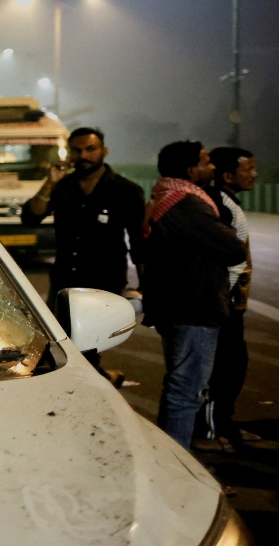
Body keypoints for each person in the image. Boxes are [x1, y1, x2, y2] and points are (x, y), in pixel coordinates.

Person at [143, 141, 247, 450]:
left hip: (176, 304)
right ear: (191, 170)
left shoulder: (164, 196)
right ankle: (177, 467)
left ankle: (172, 460)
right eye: (206, 162)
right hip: (194, 307)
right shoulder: (186, 204)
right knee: (186, 391)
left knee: (180, 388)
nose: (212, 166)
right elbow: (234, 249)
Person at [21, 127, 146, 384]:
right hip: (66, 276)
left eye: (91, 149)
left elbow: (138, 242)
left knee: (90, 340)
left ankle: (91, 382)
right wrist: (51, 181)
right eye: (78, 150)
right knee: (66, 339)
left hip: (106, 278)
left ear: (104, 151)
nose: (84, 155)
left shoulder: (126, 190)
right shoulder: (62, 186)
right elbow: (30, 216)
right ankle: (93, 380)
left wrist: (147, 285)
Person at [193, 147, 258, 450]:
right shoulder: (220, 204)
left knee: (234, 364)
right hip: (224, 303)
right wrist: (226, 298)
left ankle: (223, 425)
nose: (255, 174)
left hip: (230, 302)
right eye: (249, 169)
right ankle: (212, 432)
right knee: (223, 369)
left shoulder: (228, 201)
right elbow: (229, 257)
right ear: (228, 174)